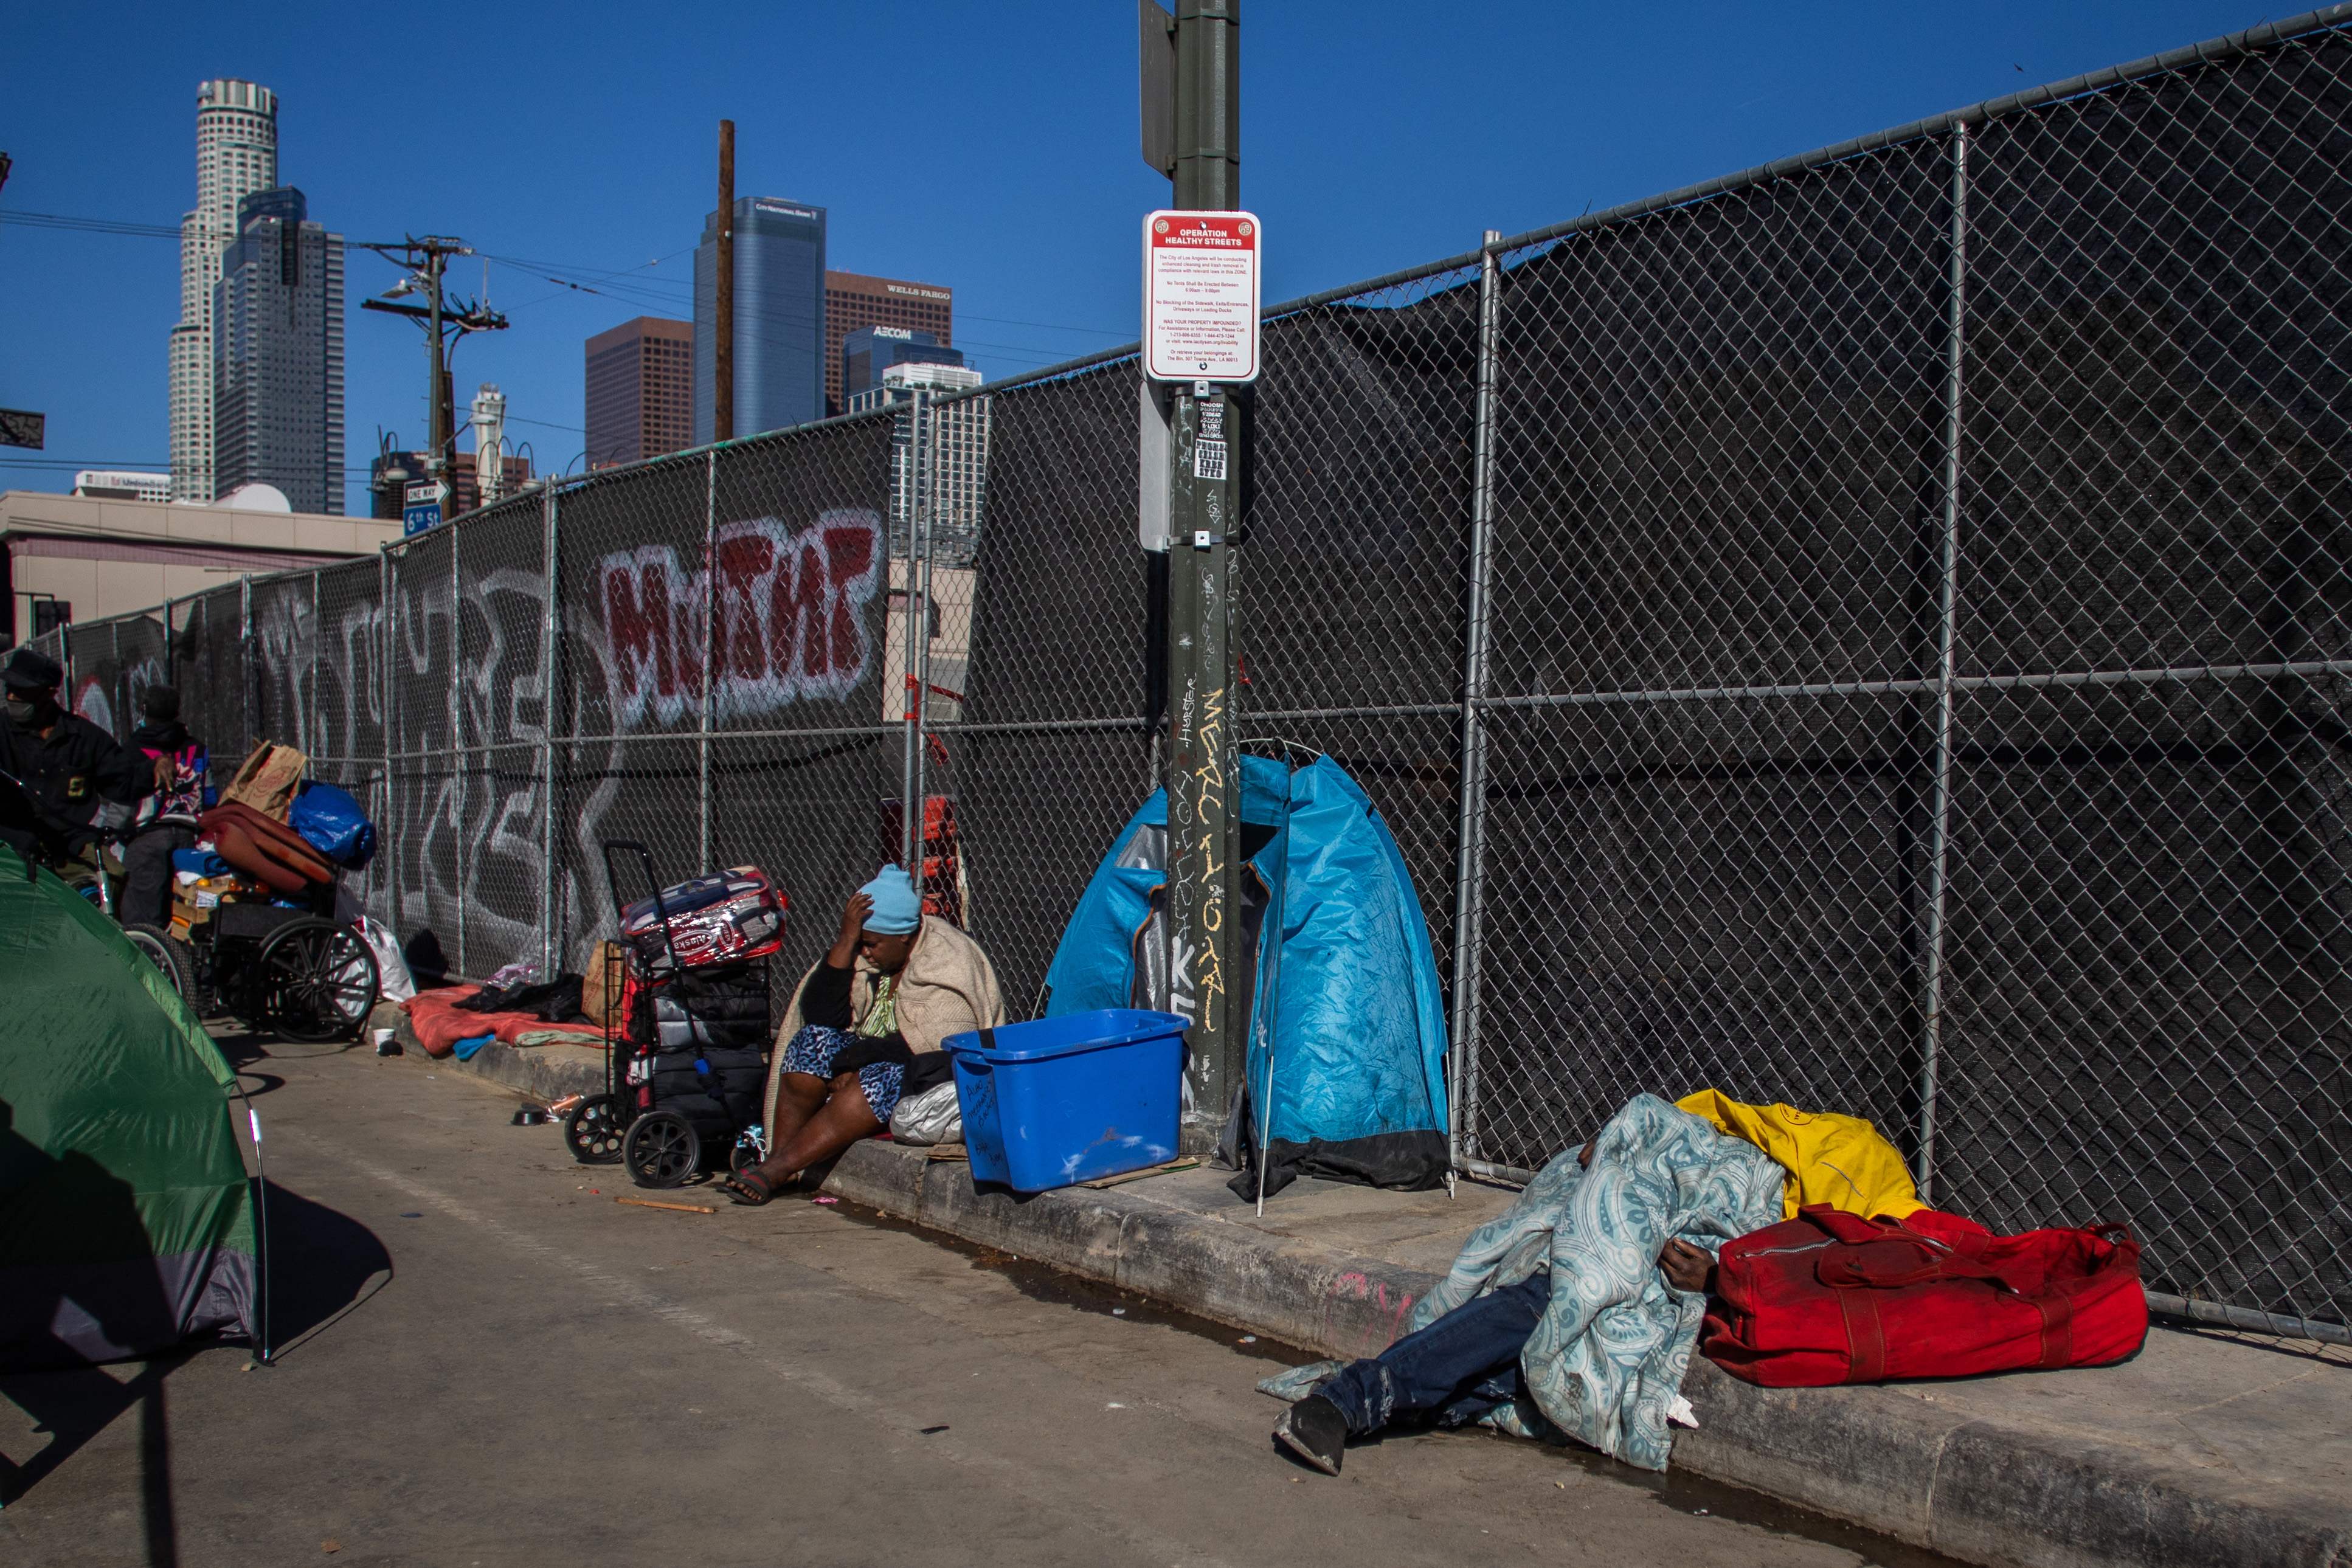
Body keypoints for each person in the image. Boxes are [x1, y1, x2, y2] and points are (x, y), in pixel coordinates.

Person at [1265, 1094, 1786, 1476]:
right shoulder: (1752, 1137)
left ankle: (1366, 1399)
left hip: (1679, 1260)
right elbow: (1648, 1127)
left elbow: (1779, 1251)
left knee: (1552, 1342)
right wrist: (1619, 1142)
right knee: (1551, 1298)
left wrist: (1718, 1275)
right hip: (1613, 1222)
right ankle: (1347, 1400)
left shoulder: (1808, 1187)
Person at [719, 865, 1005, 1206]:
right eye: (861, 943)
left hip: (929, 1076)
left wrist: (852, 1062)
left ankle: (776, 1169)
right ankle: (779, 1164)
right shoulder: (863, 954)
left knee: (879, 1077)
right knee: (809, 1044)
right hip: (863, 1059)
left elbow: (937, 1044)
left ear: (903, 935)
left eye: (871, 944)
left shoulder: (947, 959)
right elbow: (821, 1017)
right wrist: (846, 941)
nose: (865, 953)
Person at [0, 647, 158, 876]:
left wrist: (155, 769)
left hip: (70, 843)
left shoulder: (84, 737)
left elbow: (123, 781)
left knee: (114, 877)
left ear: (49, 693)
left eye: (22, 690)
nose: (12, 696)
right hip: (12, 842)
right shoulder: (2, 729)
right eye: (9, 688)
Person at [120, 685, 208, 926]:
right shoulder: (196, 748)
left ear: (144, 710)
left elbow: (123, 798)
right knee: (182, 911)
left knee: (142, 917)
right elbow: (208, 796)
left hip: (149, 836)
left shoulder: (132, 749)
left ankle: (147, 959)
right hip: (189, 837)